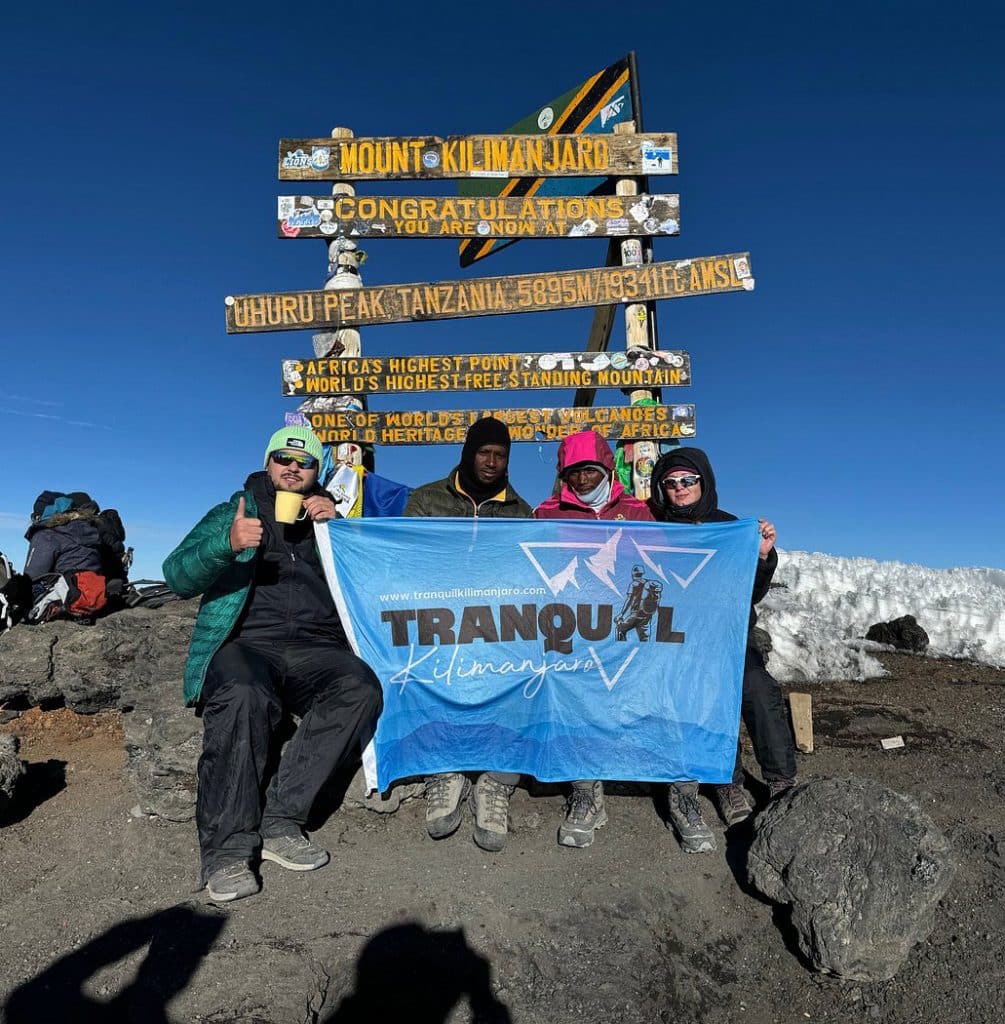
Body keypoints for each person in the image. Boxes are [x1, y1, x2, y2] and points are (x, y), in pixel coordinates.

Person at [163, 425, 383, 902]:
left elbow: (371, 584)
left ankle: (281, 818)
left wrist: (340, 531)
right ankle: (227, 851)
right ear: (268, 463)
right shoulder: (233, 511)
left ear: (316, 472)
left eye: (303, 463)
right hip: (246, 644)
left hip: (316, 648)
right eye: (282, 458)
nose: (291, 467)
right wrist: (226, 542)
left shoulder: (332, 517)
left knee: (359, 687)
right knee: (244, 693)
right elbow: (176, 574)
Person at [648, 447, 796, 854]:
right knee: (704, 697)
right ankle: (726, 781)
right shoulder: (654, 529)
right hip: (674, 641)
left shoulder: (728, 528)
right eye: (671, 483)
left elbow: (753, 591)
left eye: (687, 481)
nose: (679, 490)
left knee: (757, 689)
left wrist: (763, 556)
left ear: (703, 483)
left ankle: (781, 780)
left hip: (727, 638)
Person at [404, 416, 532, 852]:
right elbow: (407, 562)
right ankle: (445, 771)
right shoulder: (425, 500)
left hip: (497, 624)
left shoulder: (522, 513)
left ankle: (496, 781)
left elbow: (527, 576)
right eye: (484, 452)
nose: (492, 462)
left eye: (501, 455)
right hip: (438, 620)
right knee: (424, 672)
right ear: (467, 453)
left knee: (524, 675)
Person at [533, 429, 654, 848]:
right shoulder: (546, 514)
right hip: (575, 628)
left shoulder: (638, 511)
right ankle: (586, 791)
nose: (582, 480)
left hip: (631, 626)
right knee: (573, 689)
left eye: (589, 470)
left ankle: (677, 785)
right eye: (573, 472)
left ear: (606, 467)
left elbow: (661, 567)